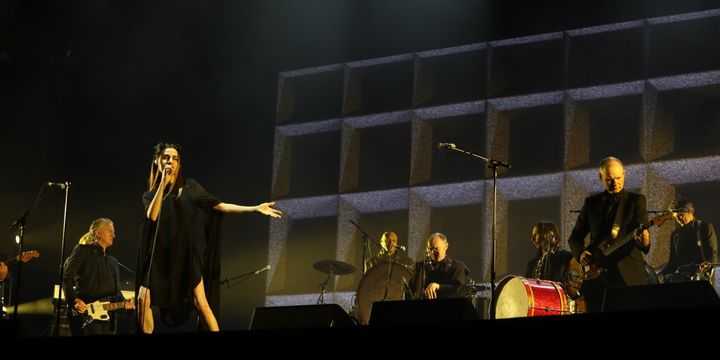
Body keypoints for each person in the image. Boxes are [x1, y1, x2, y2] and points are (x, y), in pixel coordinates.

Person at [136, 142, 282, 333]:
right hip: (159, 257)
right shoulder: (150, 195)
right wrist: (163, 183)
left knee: (201, 302)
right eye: (166, 157)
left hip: (186, 255)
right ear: (157, 161)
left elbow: (220, 206)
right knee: (142, 299)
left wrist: (255, 208)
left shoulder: (190, 187)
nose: (171, 161)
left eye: (175, 159)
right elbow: (152, 216)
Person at [567, 156, 651, 312]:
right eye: (610, 179)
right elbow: (575, 238)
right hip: (597, 278)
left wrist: (645, 241)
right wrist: (580, 254)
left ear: (624, 174)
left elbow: (642, 241)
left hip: (628, 276)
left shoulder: (636, 201)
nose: (615, 183)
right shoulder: (591, 204)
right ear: (601, 178)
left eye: (618, 178)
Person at [62, 218, 135, 335]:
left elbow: (116, 291)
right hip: (87, 312)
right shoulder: (82, 250)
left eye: (114, 232)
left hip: (109, 316)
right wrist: (73, 299)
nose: (114, 235)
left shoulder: (113, 261)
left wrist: (125, 302)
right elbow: (67, 277)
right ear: (98, 233)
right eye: (110, 231)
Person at [660, 199, 718, 283]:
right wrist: (659, 276)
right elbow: (673, 264)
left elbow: (712, 256)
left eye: (679, 215)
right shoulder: (675, 235)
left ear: (690, 212)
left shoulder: (705, 228)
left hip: (702, 279)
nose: (677, 218)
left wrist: (707, 265)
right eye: (674, 216)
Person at [410, 232, 470, 299]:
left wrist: (438, 286)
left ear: (446, 246)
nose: (432, 252)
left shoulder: (457, 267)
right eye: (430, 249)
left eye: (436, 249)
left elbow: (459, 289)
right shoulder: (420, 266)